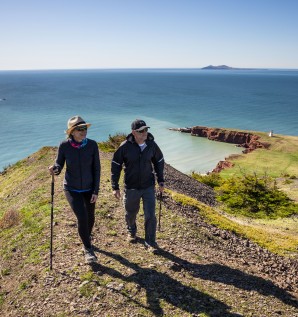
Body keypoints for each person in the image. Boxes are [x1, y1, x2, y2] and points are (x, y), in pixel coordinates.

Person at [48, 115, 100, 264]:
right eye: (79, 129)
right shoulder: (64, 146)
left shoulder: (92, 145)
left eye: (85, 128)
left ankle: (86, 237)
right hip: (71, 188)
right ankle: (88, 249)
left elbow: (97, 169)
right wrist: (55, 169)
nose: (83, 131)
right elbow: (59, 164)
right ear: (72, 132)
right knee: (82, 217)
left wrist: (96, 190)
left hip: (90, 188)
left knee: (90, 218)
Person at [111, 119, 165, 250]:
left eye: (146, 130)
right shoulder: (125, 146)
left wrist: (161, 180)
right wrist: (115, 186)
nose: (145, 133)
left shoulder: (152, 145)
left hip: (148, 186)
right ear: (134, 132)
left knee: (150, 215)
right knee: (130, 213)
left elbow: (159, 161)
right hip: (131, 187)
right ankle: (131, 231)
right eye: (141, 131)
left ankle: (151, 241)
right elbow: (116, 165)